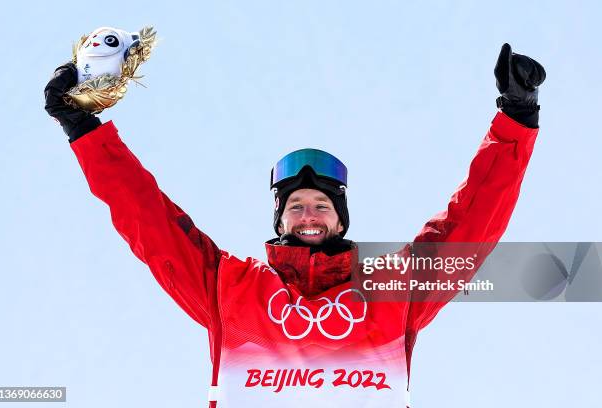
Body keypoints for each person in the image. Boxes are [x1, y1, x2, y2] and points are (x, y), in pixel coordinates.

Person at [44, 43, 545, 407]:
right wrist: (83, 129)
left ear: (341, 219)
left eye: (321, 206)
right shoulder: (229, 287)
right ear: (280, 219)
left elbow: (469, 225)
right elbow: (148, 220)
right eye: (297, 206)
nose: (309, 215)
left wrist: (516, 120)